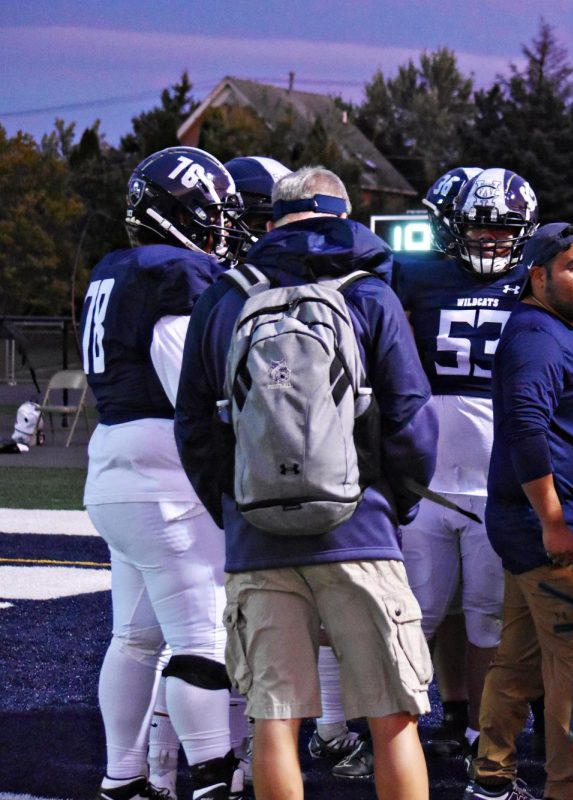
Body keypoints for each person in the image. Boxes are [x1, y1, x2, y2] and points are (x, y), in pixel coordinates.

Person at [175, 165, 438, 800]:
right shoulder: (369, 293)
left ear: (271, 220)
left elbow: (193, 426)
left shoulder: (224, 295)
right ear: (344, 215)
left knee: (275, 719)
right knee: (391, 717)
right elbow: (410, 420)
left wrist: (234, 506)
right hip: (361, 531)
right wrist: (390, 503)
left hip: (257, 534)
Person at [84, 146, 243, 800]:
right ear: (174, 214)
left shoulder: (116, 269)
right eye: (210, 214)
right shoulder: (175, 273)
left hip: (113, 460)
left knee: (135, 637)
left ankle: (123, 777)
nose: (221, 228)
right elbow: (194, 394)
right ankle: (211, 777)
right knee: (202, 639)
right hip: (166, 474)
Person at [464, 223, 573, 800]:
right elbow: (527, 429)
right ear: (539, 275)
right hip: (548, 529)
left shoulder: (559, 328)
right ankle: (567, 786)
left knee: (521, 658)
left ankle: (492, 777)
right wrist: (555, 520)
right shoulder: (536, 337)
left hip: (538, 523)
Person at [390, 166, 537, 758]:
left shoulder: (536, 280)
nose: (490, 240)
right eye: (478, 228)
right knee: (415, 613)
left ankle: (482, 732)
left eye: (502, 230)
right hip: (426, 481)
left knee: (486, 617)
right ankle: (398, 729)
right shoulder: (417, 278)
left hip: (496, 484)